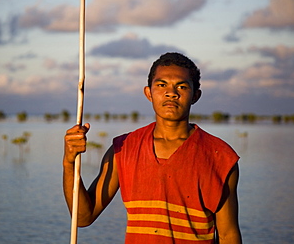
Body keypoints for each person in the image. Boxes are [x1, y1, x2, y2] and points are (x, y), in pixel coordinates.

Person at [63, 52, 242, 243]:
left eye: (181, 86)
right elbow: (83, 217)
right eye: (161, 85)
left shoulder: (219, 156)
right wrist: (69, 163)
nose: (171, 93)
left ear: (195, 95)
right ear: (148, 93)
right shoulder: (123, 149)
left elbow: (228, 234)